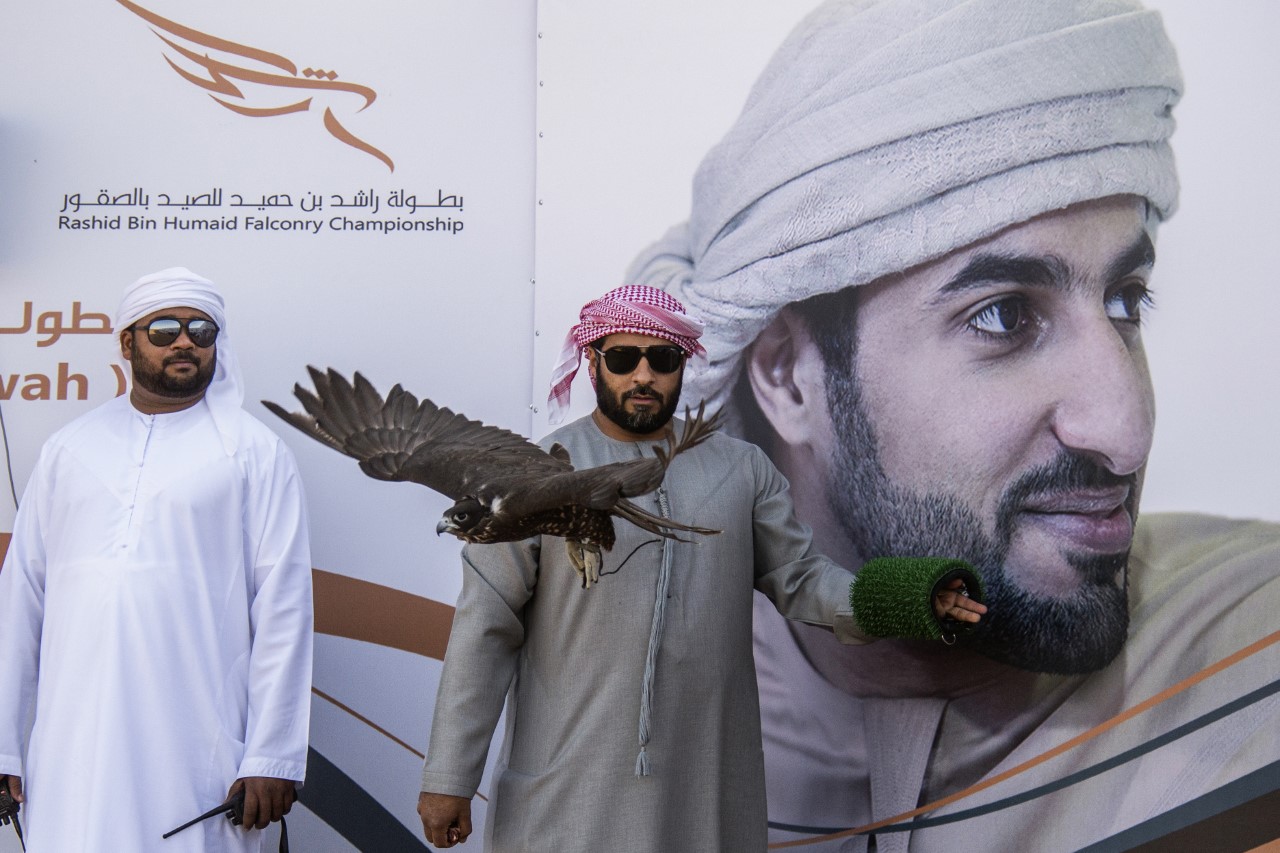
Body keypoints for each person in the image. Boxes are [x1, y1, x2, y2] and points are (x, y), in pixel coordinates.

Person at [627, 1, 1280, 851]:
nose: (1125, 432)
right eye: (1004, 316)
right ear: (788, 374)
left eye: (1126, 301)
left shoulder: (1256, 651)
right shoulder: (620, 715)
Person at [416, 284, 986, 852]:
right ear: (592, 361)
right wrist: (448, 777)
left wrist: (909, 598)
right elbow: (485, 630)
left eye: (662, 359)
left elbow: (803, 579)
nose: (643, 376)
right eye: (623, 358)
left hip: (703, 792)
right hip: (569, 790)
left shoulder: (740, 470)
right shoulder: (534, 478)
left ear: (682, 364)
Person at [0, 268, 314, 852]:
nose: (185, 342)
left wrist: (271, 754)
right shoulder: (69, 449)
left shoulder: (255, 453)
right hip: (71, 745)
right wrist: (3, 746)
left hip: (196, 745)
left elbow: (284, 609)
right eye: (165, 329)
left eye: (202, 330)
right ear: (127, 343)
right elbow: (21, 601)